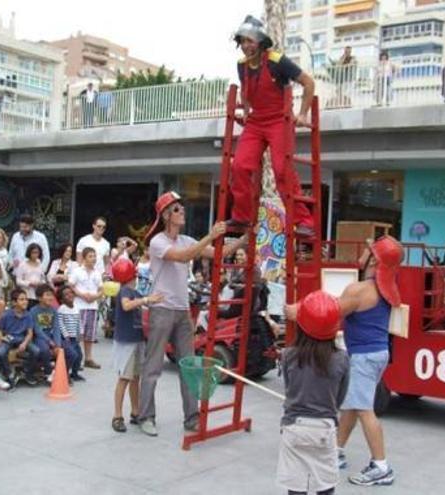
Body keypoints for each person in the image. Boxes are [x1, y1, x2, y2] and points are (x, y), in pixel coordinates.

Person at [137, 191, 246, 436]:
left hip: (182, 310)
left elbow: (221, 253)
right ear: (166, 215)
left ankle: (191, 417)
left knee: (188, 367)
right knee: (153, 367)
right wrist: (211, 235)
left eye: (182, 208)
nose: (182, 211)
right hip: (162, 310)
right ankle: (146, 415)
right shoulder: (158, 242)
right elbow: (184, 257)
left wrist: (245, 239)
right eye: (177, 209)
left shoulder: (186, 239)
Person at [228, 15, 315, 237]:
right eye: (243, 41)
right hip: (256, 123)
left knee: (282, 170)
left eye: (250, 41)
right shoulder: (242, 65)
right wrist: (247, 112)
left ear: (260, 41)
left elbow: (308, 82)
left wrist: (303, 113)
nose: (246, 46)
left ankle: (304, 220)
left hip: (279, 121)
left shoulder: (277, 60)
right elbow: (247, 90)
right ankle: (242, 217)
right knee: (239, 166)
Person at [332, 236, 402, 486]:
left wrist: (298, 309)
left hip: (363, 357)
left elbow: (331, 310)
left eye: (368, 252)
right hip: (378, 352)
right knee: (352, 404)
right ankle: (336, 451)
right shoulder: (388, 286)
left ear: (374, 260)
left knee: (363, 409)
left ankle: (381, 466)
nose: (362, 256)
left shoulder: (360, 290)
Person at [278, 290, 349, 495]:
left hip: (293, 426)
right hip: (324, 427)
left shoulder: (288, 355)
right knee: (325, 485)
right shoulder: (342, 358)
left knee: (296, 487)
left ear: (301, 325)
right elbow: (340, 397)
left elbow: (289, 389)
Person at [111, 258, 162, 433]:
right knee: (125, 379)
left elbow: (144, 306)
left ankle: (135, 411)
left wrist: (151, 300)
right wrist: (147, 299)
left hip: (137, 339)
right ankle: (117, 416)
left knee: (135, 379)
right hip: (126, 342)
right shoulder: (125, 291)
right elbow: (126, 306)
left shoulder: (135, 291)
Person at [0, 288, 41, 386]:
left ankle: (27, 372)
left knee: (36, 351)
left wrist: (24, 344)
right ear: (14, 302)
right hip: (8, 338)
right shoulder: (6, 315)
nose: (25, 302)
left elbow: (30, 333)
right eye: (21, 299)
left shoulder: (28, 315)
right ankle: (9, 373)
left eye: (26, 299)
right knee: (1, 352)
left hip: (21, 338)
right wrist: (0, 337)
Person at [69, 246, 104, 369]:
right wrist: (82, 295)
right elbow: (71, 286)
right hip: (79, 305)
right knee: (78, 333)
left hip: (92, 306)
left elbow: (101, 289)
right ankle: (76, 358)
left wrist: (95, 297)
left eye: (94, 256)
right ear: (84, 258)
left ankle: (88, 358)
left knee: (90, 334)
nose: (93, 259)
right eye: (90, 256)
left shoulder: (97, 273)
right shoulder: (77, 271)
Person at [28, 284, 67, 383]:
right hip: (40, 337)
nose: (50, 297)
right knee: (44, 350)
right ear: (39, 298)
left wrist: (57, 344)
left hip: (51, 336)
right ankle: (48, 372)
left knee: (67, 350)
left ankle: (64, 374)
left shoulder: (54, 310)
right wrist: (49, 341)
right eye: (47, 295)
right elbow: (37, 330)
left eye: (51, 295)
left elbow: (56, 328)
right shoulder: (33, 311)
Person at [56, 285, 85, 382]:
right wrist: (65, 335)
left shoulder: (76, 308)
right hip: (66, 338)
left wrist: (80, 332)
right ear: (61, 299)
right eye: (66, 294)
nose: (69, 295)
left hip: (75, 337)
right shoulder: (62, 309)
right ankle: (65, 373)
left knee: (79, 355)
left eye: (71, 293)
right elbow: (60, 323)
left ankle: (75, 373)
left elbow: (79, 321)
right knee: (72, 355)